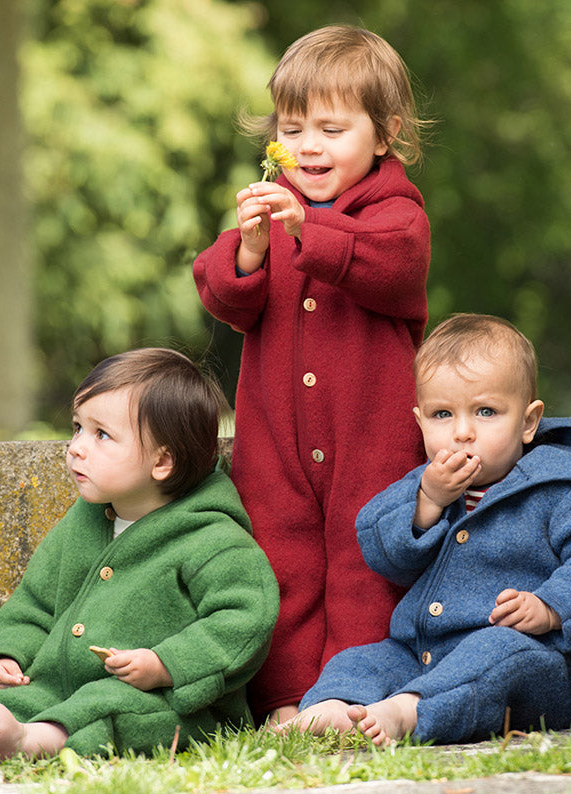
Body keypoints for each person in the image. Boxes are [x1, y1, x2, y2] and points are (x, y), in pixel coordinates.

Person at [0, 348, 280, 761]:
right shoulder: (84, 523)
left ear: (162, 461)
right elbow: (34, 603)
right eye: (77, 427)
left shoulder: (209, 536)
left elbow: (245, 616)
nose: (76, 446)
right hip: (59, 687)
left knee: (110, 704)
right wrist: (8, 654)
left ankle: (35, 741)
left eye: (101, 435)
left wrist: (165, 663)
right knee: (12, 699)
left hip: (169, 702)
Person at [193, 25, 431, 724]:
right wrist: (249, 252)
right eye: (292, 129)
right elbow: (222, 296)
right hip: (276, 438)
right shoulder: (271, 210)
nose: (308, 147)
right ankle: (284, 698)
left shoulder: (396, 211)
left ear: (384, 135)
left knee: (366, 559)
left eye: (332, 128)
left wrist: (307, 231)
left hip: (372, 435)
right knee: (280, 556)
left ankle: (353, 690)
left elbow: (394, 267)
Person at [284, 314, 571, 744]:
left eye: (486, 412)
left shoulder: (560, 486)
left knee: (497, 654)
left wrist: (550, 607)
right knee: (362, 659)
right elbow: (379, 550)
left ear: (528, 422)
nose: (462, 433)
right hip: (423, 654)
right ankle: (333, 707)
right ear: (419, 421)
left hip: (538, 661)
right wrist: (427, 502)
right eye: (442, 414)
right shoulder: (428, 485)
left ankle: (408, 712)